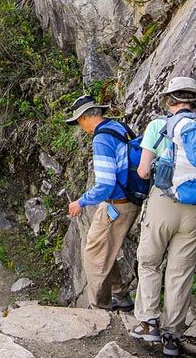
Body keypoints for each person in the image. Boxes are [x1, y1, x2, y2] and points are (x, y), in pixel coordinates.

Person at [130, 76, 196, 357]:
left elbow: (144, 171)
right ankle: (171, 336)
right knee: (181, 270)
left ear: (169, 100)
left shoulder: (159, 125)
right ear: (194, 101)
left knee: (150, 261)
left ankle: (148, 322)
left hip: (164, 201)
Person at [66, 95, 140, 312]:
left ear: (85, 117)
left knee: (93, 254)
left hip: (117, 203)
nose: (81, 127)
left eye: (79, 121)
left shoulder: (101, 139)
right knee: (104, 249)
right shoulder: (118, 127)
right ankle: (121, 296)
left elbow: (106, 184)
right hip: (131, 199)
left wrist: (81, 201)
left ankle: (100, 309)